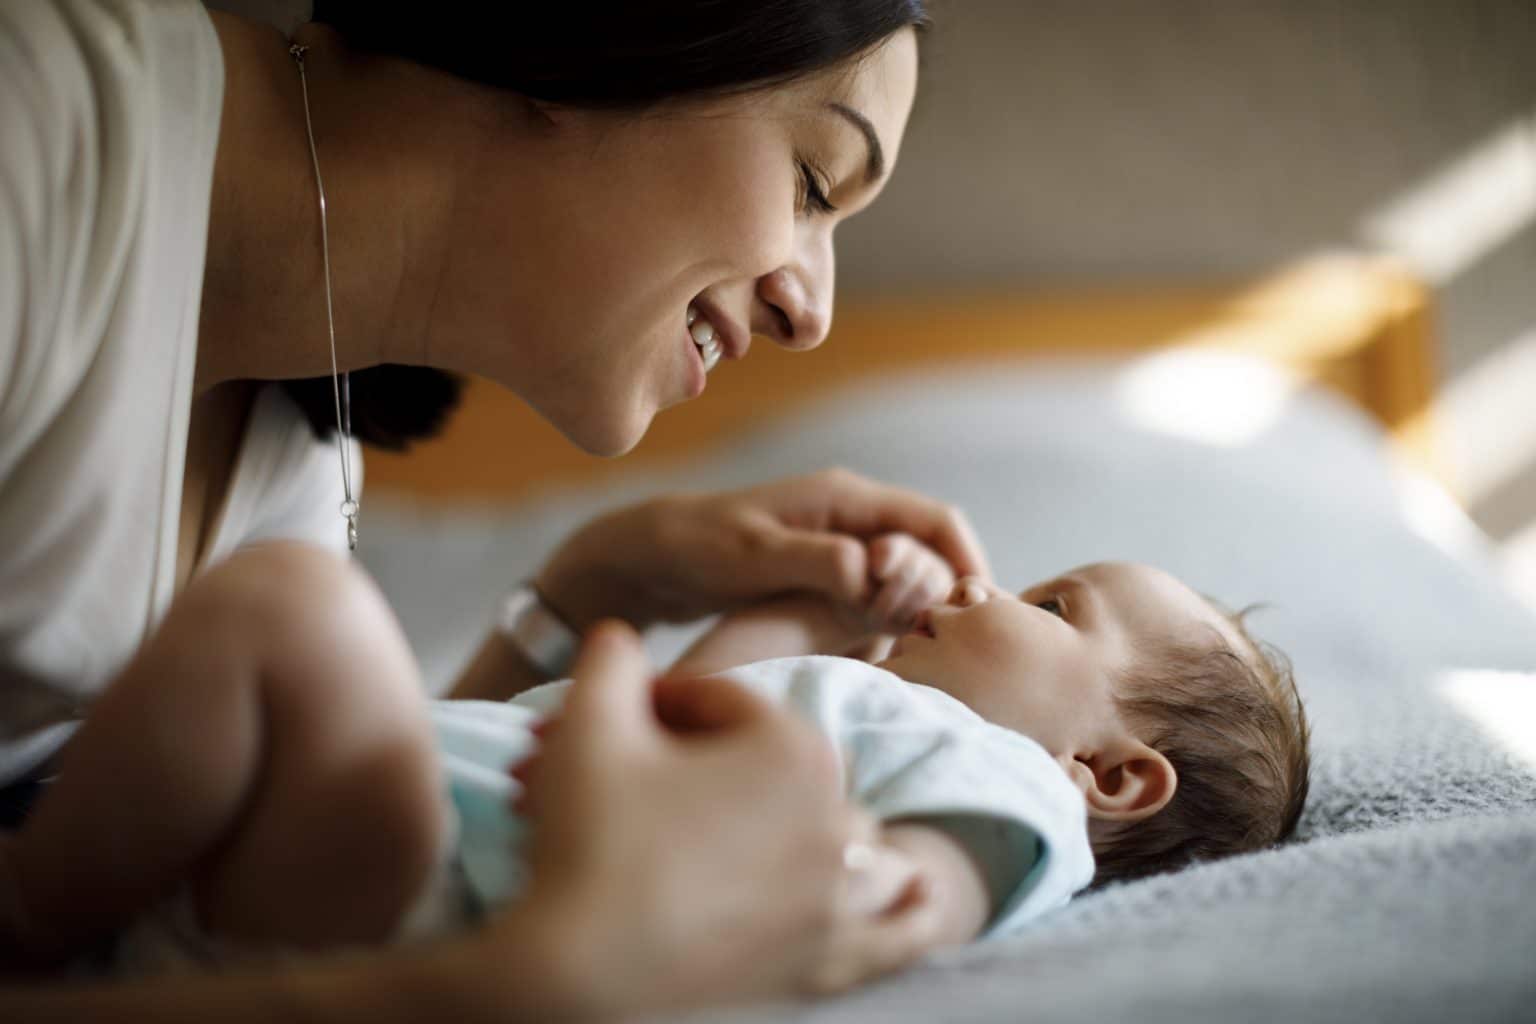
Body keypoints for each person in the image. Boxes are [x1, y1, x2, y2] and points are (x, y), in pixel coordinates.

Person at [0, 0, 1005, 1017]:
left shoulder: (303, 425)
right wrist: (511, 988)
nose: (813, 312)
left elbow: (378, 839)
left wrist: (587, 590)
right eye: (813, 180)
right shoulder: (34, 138)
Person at [1, 535, 1310, 975]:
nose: (985, 592)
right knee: (278, 630)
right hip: (363, 861)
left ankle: (29, 908)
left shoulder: (1000, 773)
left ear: (1113, 773)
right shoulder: (866, 715)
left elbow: (932, 879)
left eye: (1052, 604)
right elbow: (705, 699)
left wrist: (889, 896)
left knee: (298, 613)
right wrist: (820, 593)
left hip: (411, 883)